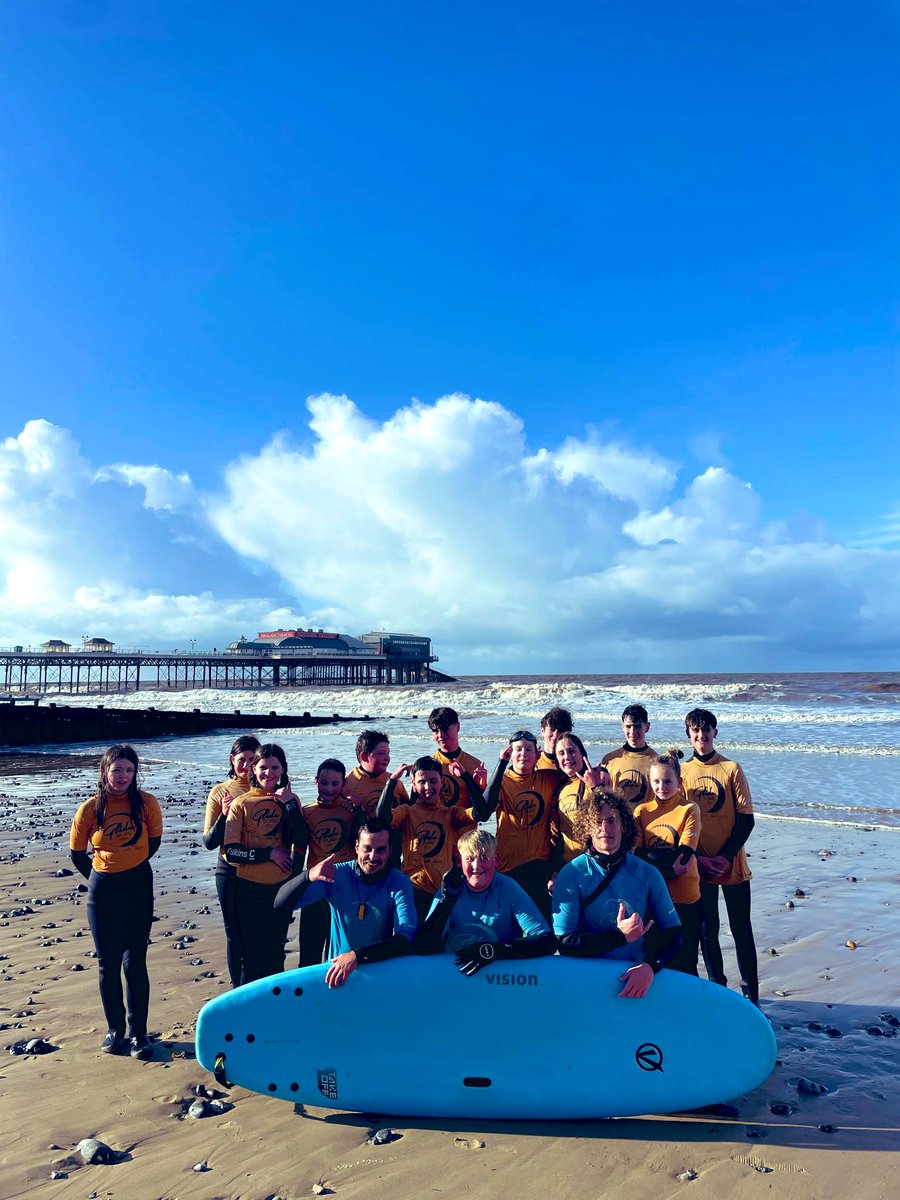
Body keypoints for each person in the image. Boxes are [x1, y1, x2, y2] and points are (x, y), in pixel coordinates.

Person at [69, 745, 162, 1058]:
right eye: (116, 770)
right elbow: (76, 853)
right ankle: (115, 1030)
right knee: (107, 963)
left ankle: (139, 1035)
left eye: (129, 770)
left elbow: (154, 842)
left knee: (135, 961)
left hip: (138, 885)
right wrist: (102, 875)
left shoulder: (146, 803)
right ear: (105, 771)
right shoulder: (90, 809)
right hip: (103, 891)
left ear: (135, 773)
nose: (123, 776)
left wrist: (128, 867)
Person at [552, 788, 681, 997]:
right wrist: (620, 937)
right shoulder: (572, 875)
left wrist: (650, 967)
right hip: (586, 979)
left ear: (624, 826)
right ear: (587, 828)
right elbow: (565, 942)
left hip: (633, 976)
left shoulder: (647, 873)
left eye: (612, 820)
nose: (605, 828)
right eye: (598, 821)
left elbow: (674, 931)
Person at [274, 816, 416, 988]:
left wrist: (356, 956)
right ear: (356, 847)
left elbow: (405, 939)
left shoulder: (398, 882)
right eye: (367, 848)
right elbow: (280, 905)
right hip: (336, 974)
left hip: (376, 974)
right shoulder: (338, 875)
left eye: (380, 850)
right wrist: (307, 876)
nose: (373, 856)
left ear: (389, 850)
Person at [680, 708, 759, 1005]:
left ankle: (752, 996)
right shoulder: (683, 773)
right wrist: (700, 859)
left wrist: (725, 857)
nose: (701, 736)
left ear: (715, 732)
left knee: (741, 928)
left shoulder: (731, 768)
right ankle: (718, 993)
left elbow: (746, 820)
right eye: (696, 731)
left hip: (732, 864)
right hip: (700, 866)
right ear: (689, 735)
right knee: (706, 930)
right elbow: (683, 821)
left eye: (706, 730)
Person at [415, 829, 556, 974]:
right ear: (459, 861)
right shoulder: (449, 891)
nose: (476, 866)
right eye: (469, 859)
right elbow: (425, 946)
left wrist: (493, 951)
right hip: (457, 974)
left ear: (496, 860)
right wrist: (446, 901)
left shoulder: (508, 889)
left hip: (498, 976)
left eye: (483, 858)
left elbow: (546, 941)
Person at [223, 743, 306, 983]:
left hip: (280, 889)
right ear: (252, 769)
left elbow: (301, 841)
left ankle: (273, 1009)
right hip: (248, 889)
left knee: (275, 953)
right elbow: (231, 851)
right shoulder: (241, 803)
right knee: (250, 956)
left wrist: (289, 804)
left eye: (274, 767)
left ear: (283, 769)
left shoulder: (291, 800)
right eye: (262, 767)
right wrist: (268, 854)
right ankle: (248, 1011)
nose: (268, 773)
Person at [376, 755, 479, 921]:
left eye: (433, 781)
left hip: (443, 892)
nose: (427, 787)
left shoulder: (451, 813)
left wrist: (466, 777)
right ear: (414, 786)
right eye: (422, 782)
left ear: (442, 782)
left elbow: (481, 813)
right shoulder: (406, 812)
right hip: (413, 889)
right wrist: (392, 780)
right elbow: (381, 818)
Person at [633, 749, 701, 976]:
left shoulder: (689, 809)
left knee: (686, 961)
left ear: (679, 782)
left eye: (667, 781)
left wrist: (655, 861)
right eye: (656, 781)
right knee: (656, 959)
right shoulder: (642, 811)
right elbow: (637, 854)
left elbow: (684, 854)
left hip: (685, 895)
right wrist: (668, 869)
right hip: (654, 897)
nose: (661, 787)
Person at [202, 734, 260, 987]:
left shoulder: (270, 787)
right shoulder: (220, 791)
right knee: (234, 935)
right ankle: (239, 990)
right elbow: (209, 842)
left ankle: (259, 987)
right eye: (241, 760)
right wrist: (224, 815)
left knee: (260, 934)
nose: (247, 766)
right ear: (232, 760)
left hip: (263, 871)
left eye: (252, 760)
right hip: (231, 871)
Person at [483, 730, 560, 920]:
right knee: (511, 926)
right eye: (518, 749)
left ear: (538, 754)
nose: (523, 754)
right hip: (509, 867)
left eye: (528, 750)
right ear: (509, 753)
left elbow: (572, 772)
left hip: (540, 864)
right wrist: (501, 764)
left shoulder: (548, 778)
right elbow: (485, 810)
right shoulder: (501, 782)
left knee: (542, 927)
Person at [298, 758, 359, 967]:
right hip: (316, 888)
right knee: (309, 954)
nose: (329, 788)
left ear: (343, 784)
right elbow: (299, 849)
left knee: (341, 953)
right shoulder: (307, 812)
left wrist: (358, 809)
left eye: (335, 783)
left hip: (346, 888)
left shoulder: (350, 812)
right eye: (324, 782)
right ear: (316, 781)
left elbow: (363, 841)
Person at [427, 706, 487, 807]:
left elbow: (484, 811)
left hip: (466, 821)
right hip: (438, 822)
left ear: (458, 727)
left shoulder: (476, 766)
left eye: (445, 728)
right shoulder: (428, 766)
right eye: (435, 731)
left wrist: (482, 787)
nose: (441, 735)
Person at [601, 703, 657, 809]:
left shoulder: (656, 761)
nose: (632, 732)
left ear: (647, 727)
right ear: (622, 726)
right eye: (628, 726)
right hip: (617, 823)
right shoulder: (609, 760)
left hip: (645, 823)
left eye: (637, 726)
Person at [345, 730, 408, 815]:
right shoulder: (349, 783)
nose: (387, 758)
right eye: (381, 753)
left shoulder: (396, 782)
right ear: (364, 756)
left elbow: (410, 811)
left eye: (388, 753)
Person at [537, 705, 573, 772]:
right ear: (542, 731)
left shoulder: (573, 763)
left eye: (561, 730)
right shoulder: (532, 762)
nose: (556, 735)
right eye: (552, 729)